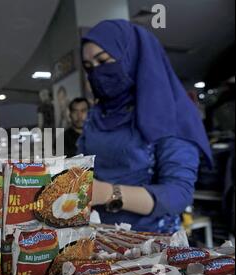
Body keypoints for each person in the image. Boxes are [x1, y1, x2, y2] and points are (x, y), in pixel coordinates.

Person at [77, 20, 213, 233]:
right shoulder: (98, 115)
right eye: (88, 67)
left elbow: (178, 194)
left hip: (151, 245)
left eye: (103, 61)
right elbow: (83, 168)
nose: (96, 73)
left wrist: (107, 193)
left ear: (131, 58)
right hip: (97, 235)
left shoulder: (170, 112)